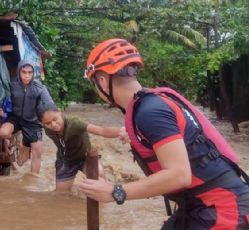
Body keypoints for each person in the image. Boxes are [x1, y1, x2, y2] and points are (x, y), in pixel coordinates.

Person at [78, 38, 249, 229]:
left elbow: (179, 175)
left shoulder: (150, 112)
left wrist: (115, 191)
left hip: (224, 208)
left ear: (102, 80)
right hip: (200, 204)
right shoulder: (148, 105)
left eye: (95, 83)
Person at [37, 102, 128, 191]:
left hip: (86, 157)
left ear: (60, 112)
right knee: (62, 194)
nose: (53, 125)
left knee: (99, 176)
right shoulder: (47, 128)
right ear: (42, 124)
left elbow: (101, 130)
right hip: (66, 160)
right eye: (47, 123)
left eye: (55, 119)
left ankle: (106, 200)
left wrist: (123, 131)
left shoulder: (74, 123)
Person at [0, 60, 53, 174]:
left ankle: (33, 179)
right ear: (19, 71)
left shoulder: (40, 88)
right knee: (3, 133)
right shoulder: (11, 85)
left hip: (33, 121)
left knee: (37, 152)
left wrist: (48, 117)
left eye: (30, 72)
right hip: (15, 118)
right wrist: (0, 109)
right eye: (24, 72)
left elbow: (49, 105)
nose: (27, 76)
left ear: (33, 73)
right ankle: (10, 143)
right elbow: (0, 98)